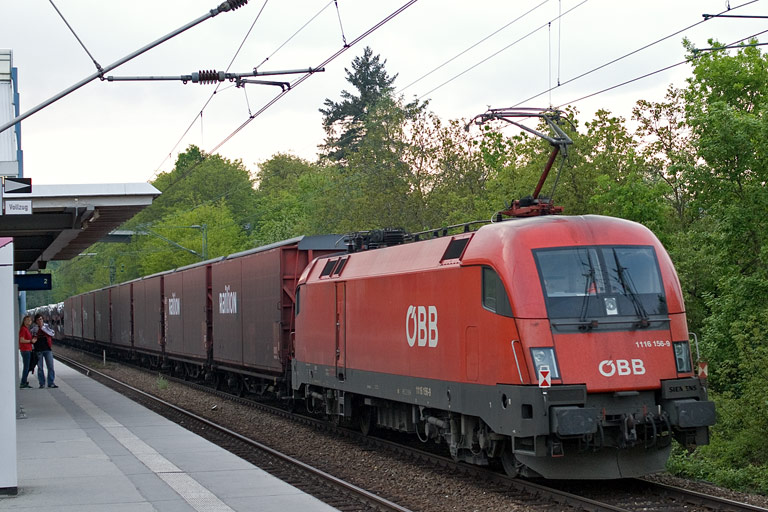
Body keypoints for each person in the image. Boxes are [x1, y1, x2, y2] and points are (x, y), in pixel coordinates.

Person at [30, 314, 57, 388]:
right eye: (38, 319)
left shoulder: (47, 327)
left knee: (50, 366)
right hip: (38, 350)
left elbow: (52, 333)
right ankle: (42, 383)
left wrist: (42, 328)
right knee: (40, 368)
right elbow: (31, 338)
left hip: (47, 349)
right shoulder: (34, 329)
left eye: (41, 319)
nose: (40, 321)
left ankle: (51, 382)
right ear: (36, 321)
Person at [18, 315, 36, 389]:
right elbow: (21, 340)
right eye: (27, 320)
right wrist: (30, 341)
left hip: (27, 349)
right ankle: (23, 382)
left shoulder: (26, 329)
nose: (29, 321)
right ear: (24, 321)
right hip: (25, 350)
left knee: (27, 366)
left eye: (30, 320)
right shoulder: (23, 329)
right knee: (26, 367)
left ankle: (24, 381)